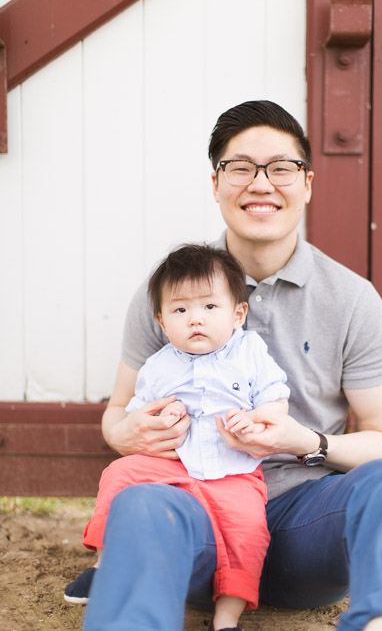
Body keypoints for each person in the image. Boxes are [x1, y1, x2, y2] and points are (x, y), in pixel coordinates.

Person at [81, 100, 382, 631]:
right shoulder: (170, 294)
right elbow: (115, 418)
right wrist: (130, 430)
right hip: (195, 517)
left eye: (281, 168)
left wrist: (303, 442)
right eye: (240, 167)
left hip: (303, 529)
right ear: (216, 183)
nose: (261, 183)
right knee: (140, 507)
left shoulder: (353, 300)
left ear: (307, 183)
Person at [66, 243, 290, 631]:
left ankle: (226, 618)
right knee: (120, 474)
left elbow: (276, 399)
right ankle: (105, 563)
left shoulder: (251, 351)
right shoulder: (158, 365)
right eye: (180, 309)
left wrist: (256, 419)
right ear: (162, 321)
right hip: (171, 465)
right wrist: (157, 419)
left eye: (209, 307)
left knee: (249, 532)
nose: (195, 319)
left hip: (233, 472)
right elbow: (140, 413)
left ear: (238, 314)